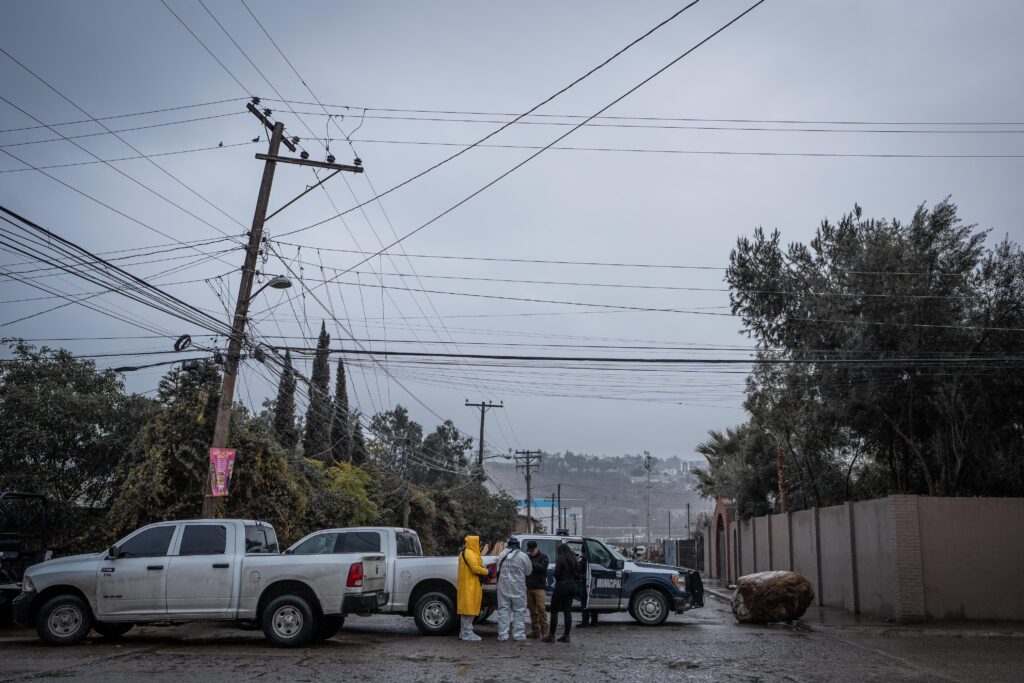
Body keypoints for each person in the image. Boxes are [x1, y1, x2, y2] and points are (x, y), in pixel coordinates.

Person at [494, 538, 533, 641]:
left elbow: (497, 569)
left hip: (503, 588)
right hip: (518, 589)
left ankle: (502, 635)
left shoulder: (502, 555)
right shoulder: (523, 556)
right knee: (519, 611)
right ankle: (518, 635)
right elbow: (529, 571)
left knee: (503, 611)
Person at [543, 542, 579, 643]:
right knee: (567, 611)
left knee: (554, 611)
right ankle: (567, 635)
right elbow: (578, 575)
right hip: (572, 586)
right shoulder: (574, 560)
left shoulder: (561, 559)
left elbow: (556, 574)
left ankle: (551, 635)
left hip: (561, 586)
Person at [456, 534, 489, 641]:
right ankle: (467, 633)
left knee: (466, 610)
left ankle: (463, 632)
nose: (479, 544)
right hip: (470, 585)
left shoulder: (465, 552)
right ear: (473, 542)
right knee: (469, 610)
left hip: (467, 584)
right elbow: (475, 568)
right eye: (477, 542)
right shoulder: (470, 553)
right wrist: (487, 571)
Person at [525, 540, 549, 639]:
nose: (530, 552)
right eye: (529, 551)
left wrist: (531, 563)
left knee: (541, 610)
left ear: (536, 548)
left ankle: (545, 632)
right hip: (529, 587)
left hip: (539, 587)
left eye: (532, 550)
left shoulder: (544, 557)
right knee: (532, 611)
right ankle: (535, 631)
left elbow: (542, 568)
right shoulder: (528, 557)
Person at [577, 545, 598, 627]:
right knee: (592, 601)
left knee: (584, 602)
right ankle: (594, 621)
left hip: (585, 582)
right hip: (593, 582)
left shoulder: (583, 559)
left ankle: (585, 622)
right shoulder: (594, 557)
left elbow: (580, 570)